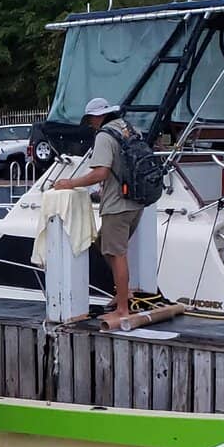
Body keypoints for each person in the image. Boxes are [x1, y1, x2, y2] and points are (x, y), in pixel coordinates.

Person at [52, 97, 143, 320]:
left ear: (98, 116)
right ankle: (124, 292)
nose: (91, 124)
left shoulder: (104, 135)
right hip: (136, 201)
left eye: (91, 119)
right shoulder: (129, 128)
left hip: (117, 205)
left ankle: (123, 307)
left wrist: (69, 183)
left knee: (117, 253)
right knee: (103, 244)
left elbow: (100, 172)